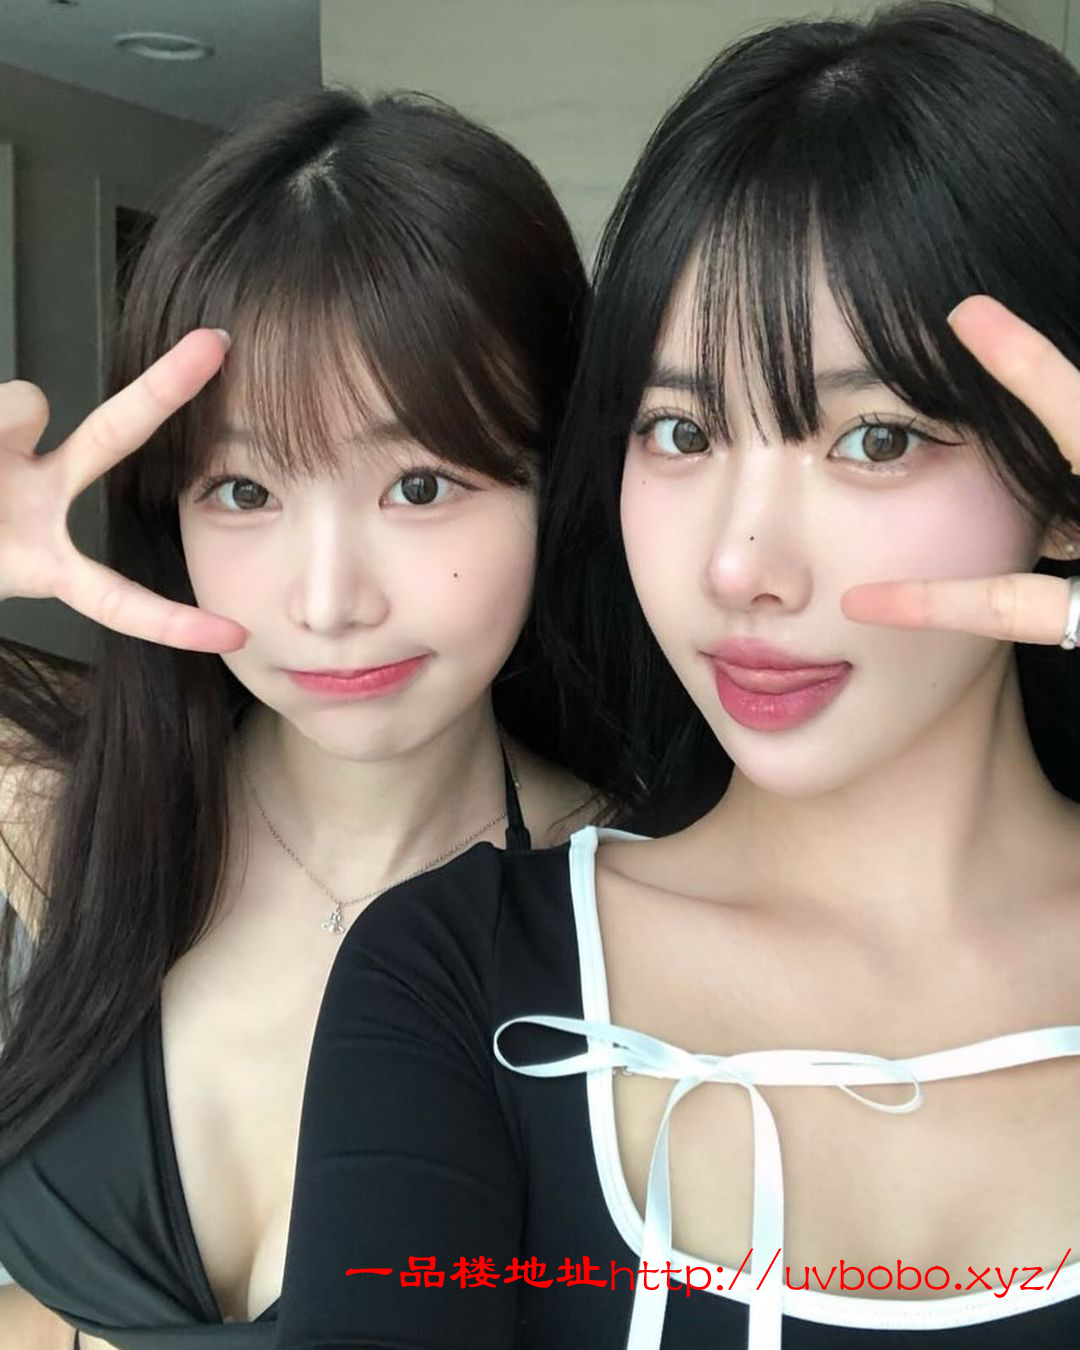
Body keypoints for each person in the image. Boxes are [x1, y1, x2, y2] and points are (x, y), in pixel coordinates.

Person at [274, 5, 1080, 1349]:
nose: (738, 564)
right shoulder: (465, 982)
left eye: (876, 439)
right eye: (681, 429)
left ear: (1063, 488)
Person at [0, 87, 617, 1350]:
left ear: (558, 481)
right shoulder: (49, 822)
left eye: (420, 484)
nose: (328, 603)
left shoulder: (648, 911)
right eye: (242, 489)